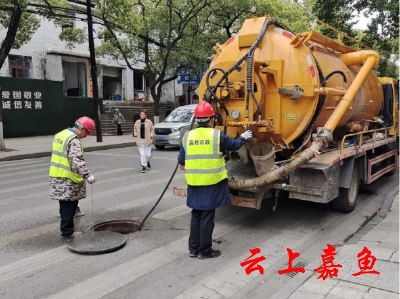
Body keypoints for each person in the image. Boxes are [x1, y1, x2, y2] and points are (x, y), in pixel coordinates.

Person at [178, 102, 253, 259]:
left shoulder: (187, 136)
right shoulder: (216, 135)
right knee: (207, 217)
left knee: (196, 215)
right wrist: (243, 138)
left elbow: (182, 161)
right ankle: (205, 251)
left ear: (197, 119)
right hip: (210, 182)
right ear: (211, 119)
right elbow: (234, 145)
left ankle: (193, 249)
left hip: (193, 182)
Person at [49, 117, 97, 238]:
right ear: (82, 129)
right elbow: (76, 161)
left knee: (64, 204)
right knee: (70, 205)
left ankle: (65, 229)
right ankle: (67, 232)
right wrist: (87, 175)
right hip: (69, 178)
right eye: (87, 133)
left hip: (57, 175)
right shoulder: (73, 139)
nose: (86, 136)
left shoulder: (60, 135)